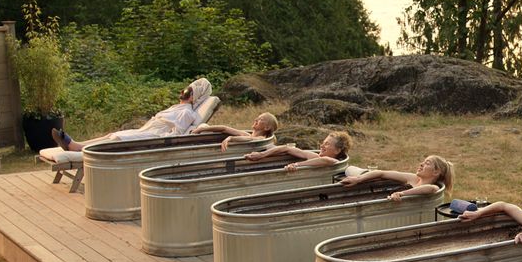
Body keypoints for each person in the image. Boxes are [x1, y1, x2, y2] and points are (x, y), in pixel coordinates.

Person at [52, 77, 212, 151]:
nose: (183, 92)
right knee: (112, 135)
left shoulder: (186, 112)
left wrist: (158, 141)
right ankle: (77, 144)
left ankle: (76, 147)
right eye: (186, 89)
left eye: (188, 91)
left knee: (116, 139)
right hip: (147, 130)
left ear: (193, 97)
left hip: (154, 136)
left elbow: (175, 136)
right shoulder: (177, 107)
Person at [338, 155, 454, 201]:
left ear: (436, 172)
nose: (421, 164)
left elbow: (429, 189)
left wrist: (402, 194)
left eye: (427, 163)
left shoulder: (433, 187)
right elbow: (382, 173)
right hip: (382, 200)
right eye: (423, 162)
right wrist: (358, 179)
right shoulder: (413, 178)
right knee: (350, 171)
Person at [243, 130, 352, 171]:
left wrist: (297, 165)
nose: (322, 146)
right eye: (322, 143)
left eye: (327, 144)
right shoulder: (316, 157)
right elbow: (288, 148)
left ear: (337, 150)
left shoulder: (336, 163)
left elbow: (327, 161)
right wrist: (262, 155)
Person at [191, 112, 278, 151]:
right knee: (203, 126)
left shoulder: (261, 138)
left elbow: (251, 140)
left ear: (266, 127)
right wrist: (202, 129)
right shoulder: (247, 134)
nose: (256, 119)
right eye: (257, 118)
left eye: (260, 119)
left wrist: (231, 138)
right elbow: (224, 128)